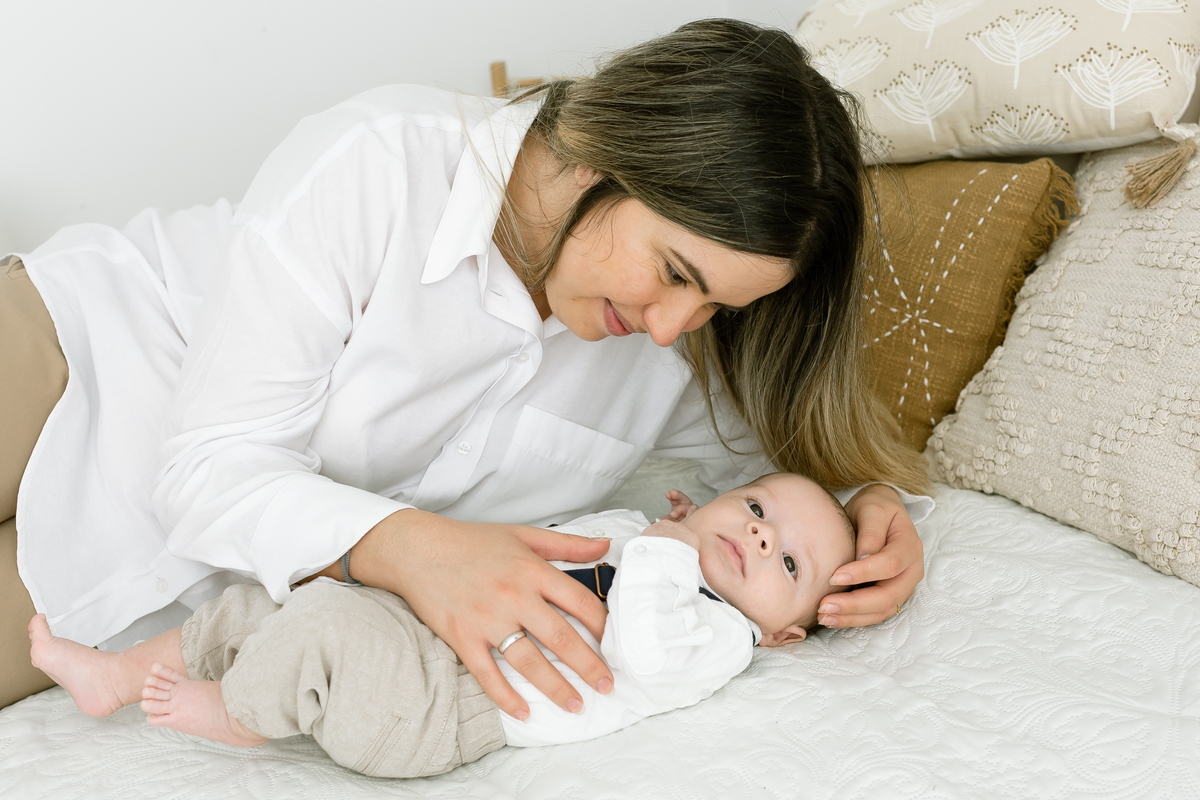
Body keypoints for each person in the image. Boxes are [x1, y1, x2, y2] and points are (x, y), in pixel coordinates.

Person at [1, 18, 930, 717]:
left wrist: (873, 507)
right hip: (77, 356)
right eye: (676, 274)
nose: (672, 329)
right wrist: (409, 545)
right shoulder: (381, 162)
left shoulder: (677, 356)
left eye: (719, 308)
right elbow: (208, 466)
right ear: (604, 159)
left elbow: (774, 480)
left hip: (149, 585)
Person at [31, 472, 927, 777]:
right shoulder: (640, 532)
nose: (760, 535)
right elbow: (547, 550)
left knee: (324, 632)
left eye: (786, 564)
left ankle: (242, 714)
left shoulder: (719, 638)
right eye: (758, 507)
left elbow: (642, 653)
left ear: (784, 633)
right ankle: (117, 673)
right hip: (438, 628)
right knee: (275, 596)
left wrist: (671, 551)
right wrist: (665, 533)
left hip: (452, 704)